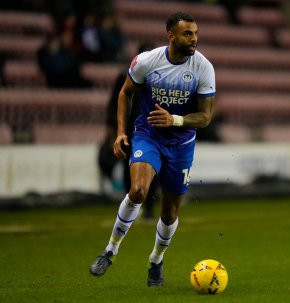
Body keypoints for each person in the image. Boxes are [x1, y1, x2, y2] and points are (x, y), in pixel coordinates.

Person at [89, 12, 216, 287]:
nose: (194, 39)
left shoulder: (203, 68)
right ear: (171, 36)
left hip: (181, 144)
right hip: (148, 136)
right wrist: (122, 132)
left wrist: (175, 120)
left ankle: (156, 260)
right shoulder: (147, 61)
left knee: (170, 214)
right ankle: (110, 251)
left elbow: (205, 117)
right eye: (188, 34)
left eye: (195, 33)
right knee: (137, 191)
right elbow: (125, 93)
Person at [98, 41, 159, 220]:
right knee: (129, 168)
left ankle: (147, 208)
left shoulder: (159, 78)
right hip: (132, 131)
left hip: (152, 131)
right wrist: (116, 129)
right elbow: (116, 103)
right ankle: (132, 207)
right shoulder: (127, 76)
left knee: (151, 171)